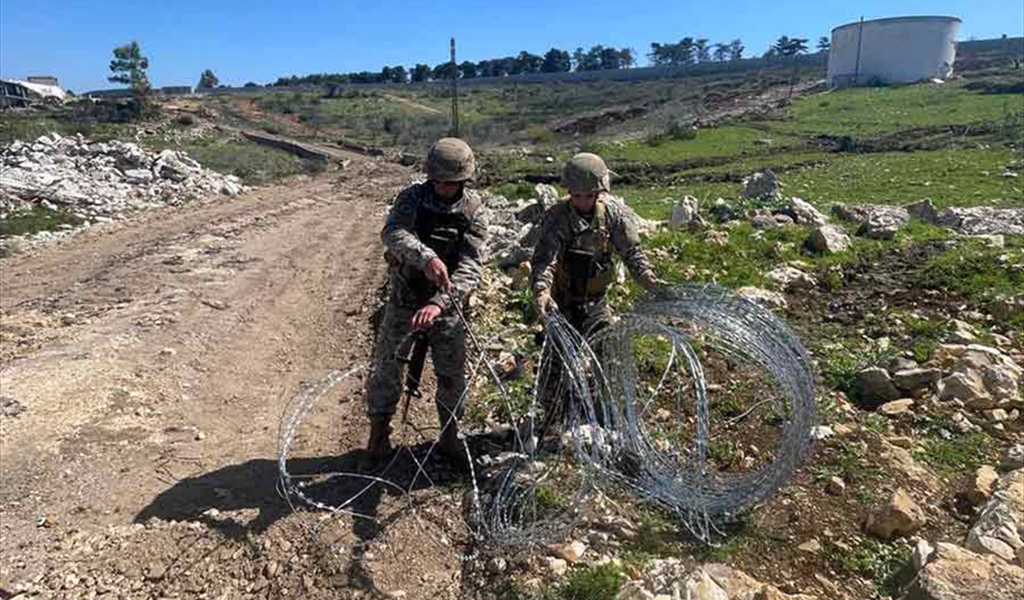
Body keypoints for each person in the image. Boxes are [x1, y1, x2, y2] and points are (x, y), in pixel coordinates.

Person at [363, 138, 488, 470]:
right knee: (387, 369)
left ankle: (449, 438)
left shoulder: (474, 210)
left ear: (465, 180)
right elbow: (392, 232)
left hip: (446, 308)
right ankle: (378, 435)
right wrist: (426, 257)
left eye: (452, 183)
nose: (444, 189)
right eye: (439, 182)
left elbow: (472, 266)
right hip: (405, 299)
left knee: (451, 376)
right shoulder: (413, 198)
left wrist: (439, 302)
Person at [529, 152, 660, 430]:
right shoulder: (557, 218)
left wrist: (647, 278)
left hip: (597, 304)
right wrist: (542, 291)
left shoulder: (612, 215)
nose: (582, 202)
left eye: (589, 196)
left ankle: (607, 417)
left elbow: (632, 252)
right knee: (555, 367)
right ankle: (553, 420)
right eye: (576, 196)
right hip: (563, 305)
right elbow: (545, 261)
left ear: (600, 192)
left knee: (609, 361)